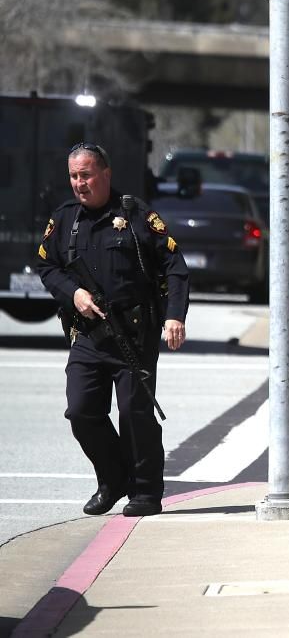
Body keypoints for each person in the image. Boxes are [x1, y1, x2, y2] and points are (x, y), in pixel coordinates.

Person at [37, 143, 189, 517]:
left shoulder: (135, 215)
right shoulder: (66, 219)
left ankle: (146, 491)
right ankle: (112, 478)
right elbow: (46, 266)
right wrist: (73, 294)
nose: (79, 183)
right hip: (89, 334)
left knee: (135, 412)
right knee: (81, 410)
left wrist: (174, 315)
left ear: (105, 174)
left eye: (86, 175)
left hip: (134, 333)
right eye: (73, 176)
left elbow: (174, 264)